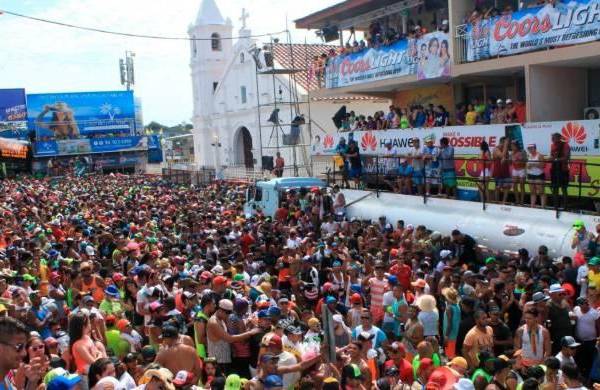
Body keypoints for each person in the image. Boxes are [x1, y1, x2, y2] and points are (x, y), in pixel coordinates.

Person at [549, 132, 570, 209]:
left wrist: (556, 159)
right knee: (554, 188)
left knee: (564, 188)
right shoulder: (552, 145)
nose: (552, 139)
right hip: (554, 169)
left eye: (553, 138)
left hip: (563, 170)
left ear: (558, 138)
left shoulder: (565, 145)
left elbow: (566, 157)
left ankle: (565, 206)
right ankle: (555, 206)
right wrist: (551, 159)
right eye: (552, 138)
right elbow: (552, 156)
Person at [526, 143, 546, 208]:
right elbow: (526, 165)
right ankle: (532, 206)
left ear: (534, 148)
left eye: (531, 148)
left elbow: (543, 165)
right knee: (532, 192)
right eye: (529, 148)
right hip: (530, 175)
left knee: (541, 192)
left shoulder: (540, 155)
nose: (530, 150)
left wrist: (534, 165)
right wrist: (528, 166)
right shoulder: (528, 155)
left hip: (539, 175)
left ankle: (543, 207)